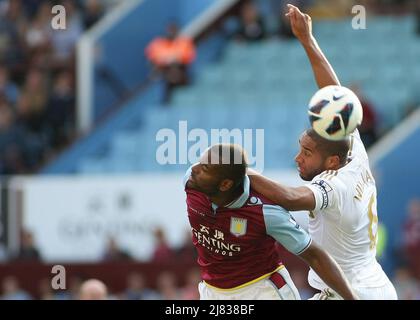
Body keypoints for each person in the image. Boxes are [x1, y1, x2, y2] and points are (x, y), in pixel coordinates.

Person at [248, 4, 397, 300]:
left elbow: (290, 199)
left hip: (350, 293)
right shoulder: (354, 152)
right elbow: (335, 94)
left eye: (306, 152)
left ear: (330, 161)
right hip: (377, 286)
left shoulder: (334, 186)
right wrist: (307, 40)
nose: (297, 158)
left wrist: (240, 170)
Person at [183, 143, 357, 300]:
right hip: (212, 292)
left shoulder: (266, 212)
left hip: (262, 290)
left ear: (225, 184)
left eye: (204, 168)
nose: (194, 169)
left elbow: (315, 255)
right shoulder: (192, 184)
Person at [145, 22, 196, 103]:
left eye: (174, 30)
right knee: (162, 71)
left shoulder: (184, 42)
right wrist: (169, 59)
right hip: (164, 72)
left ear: (178, 31)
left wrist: (171, 59)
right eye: (170, 30)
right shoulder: (158, 43)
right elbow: (152, 57)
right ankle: (165, 101)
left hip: (181, 71)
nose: (171, 33)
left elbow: (187, 57)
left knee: (175, 67)